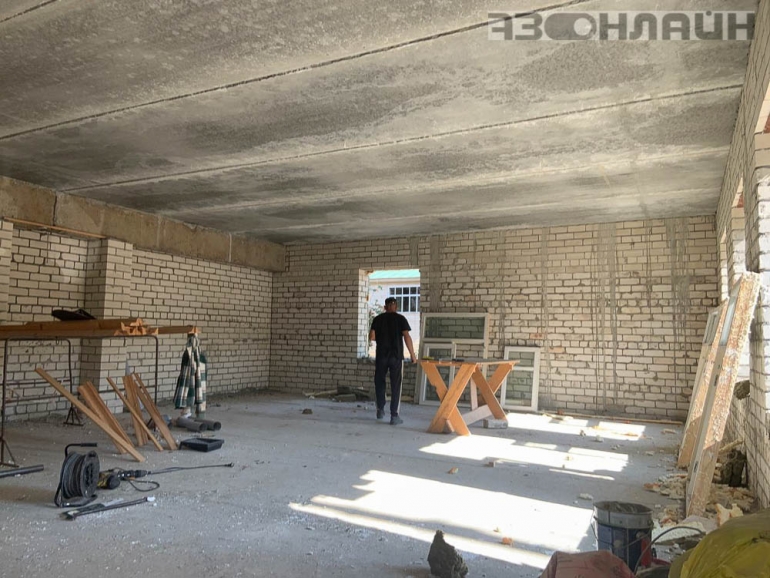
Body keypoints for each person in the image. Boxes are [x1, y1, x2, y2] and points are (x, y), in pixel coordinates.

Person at [369, 296, 417, 425]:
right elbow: (407, 336)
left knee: (379, 382)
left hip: (381, 356)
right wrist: (413, 355)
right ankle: (394, 416)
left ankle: (380, 410)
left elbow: (372, 337)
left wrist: (382, 338)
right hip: (396, 357)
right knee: (396, 385)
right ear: (396, 307)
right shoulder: (401, 319)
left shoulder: (378, 319)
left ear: (385, 307)